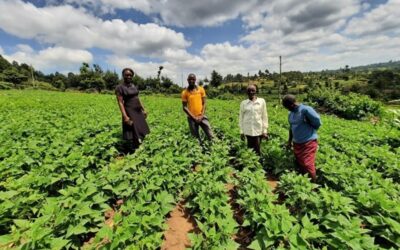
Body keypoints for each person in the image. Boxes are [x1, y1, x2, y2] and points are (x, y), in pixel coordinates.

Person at [282, 94, 321, 181]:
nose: (287, 109)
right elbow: (291, 127)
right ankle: (305, 182)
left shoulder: (306, 110)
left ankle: (314, 187)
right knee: (300, 164)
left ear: (292, 104)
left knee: (307, 164)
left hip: (308, 142)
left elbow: (317, 122)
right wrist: (289, 141)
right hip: (297, 143)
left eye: (287, 107)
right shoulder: (291, 113)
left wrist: (311, 129)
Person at [115, 68, 149, 152]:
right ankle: (132, 149)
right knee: (132, 128)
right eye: (127, 75)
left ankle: (140, 145)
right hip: (129, 110)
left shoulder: (134, 86)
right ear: (123, 75)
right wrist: (125, 116)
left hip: (138, 111)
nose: (129, 76)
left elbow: (138, 98)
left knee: (141, 128)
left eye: (130, 75)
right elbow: (120, 102)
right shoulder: (120, 87)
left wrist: (143, 109)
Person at [182, 73, 213, 142]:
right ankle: (199, 150)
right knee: (195, 138)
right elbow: (184, 107)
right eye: (190, 79)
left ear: (195, 80)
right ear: (187, 80)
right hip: (191, 118)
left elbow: (204, 103)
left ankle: (214, 148)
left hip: (202, 116)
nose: (191, 81)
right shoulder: (185, 92)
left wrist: (201, 116)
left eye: (193, 79)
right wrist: (194, 118)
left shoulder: (201, 89)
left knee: (210, 134)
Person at [239, 84, 268, 155]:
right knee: (250, 149)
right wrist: (241, 131)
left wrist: (265, 131)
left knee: (257, 149)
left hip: (258, 130)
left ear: (256, 91)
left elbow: (264, 116)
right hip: (248, 130)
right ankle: (252, 163)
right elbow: (241, 118)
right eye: (249, 91)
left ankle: (257, 163)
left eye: (253, 90)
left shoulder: (261, 101)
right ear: (246, 92)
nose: (251, 92)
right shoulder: (243, 103)